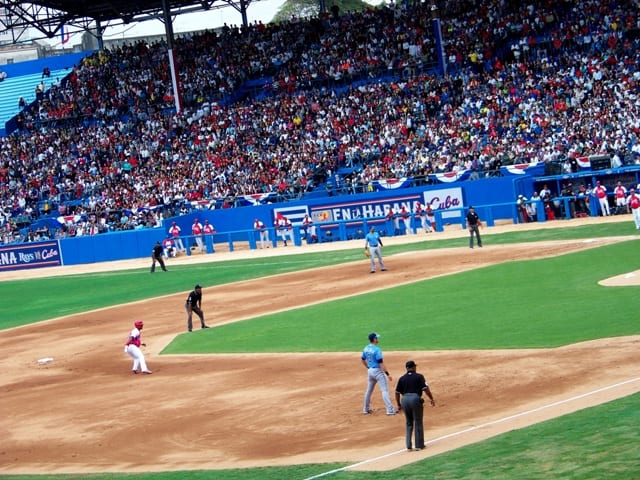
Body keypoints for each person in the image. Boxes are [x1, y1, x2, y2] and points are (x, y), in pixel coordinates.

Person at [395, 360, 436, 451]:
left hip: (404, 399)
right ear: (414, 367)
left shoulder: (402, 378)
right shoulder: (419, 376)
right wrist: (431, 399)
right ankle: (419, 445)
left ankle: (408, 446)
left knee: (409, 422)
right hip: (415, 399)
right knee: (418, 421)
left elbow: (397, 392)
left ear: (406, 368)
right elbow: (426, 389)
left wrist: (398, 404)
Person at [361, 332, 397, 415]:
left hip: (370, 371)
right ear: (374, 339)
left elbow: (362, 359)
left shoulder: (366, 348)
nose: (378, 339)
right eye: (377, 338)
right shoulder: (377, 350)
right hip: (378, 371)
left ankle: (365, 409)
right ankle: (390, 410)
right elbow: (381, 363)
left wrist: (368, 367)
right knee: (384, 390)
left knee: (369, 391)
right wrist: (388, 374)